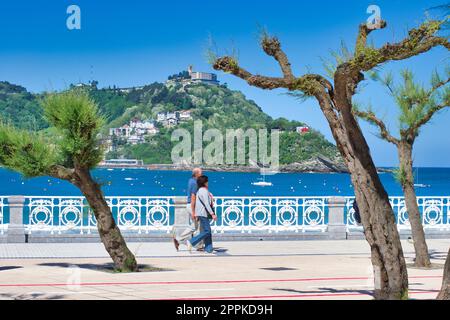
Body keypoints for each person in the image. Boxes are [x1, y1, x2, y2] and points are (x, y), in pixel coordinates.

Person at [172, 168, 204, 251]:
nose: (202, 174)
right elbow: (193, 197)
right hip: (193, 206)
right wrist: (194, 212)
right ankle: (199, 245)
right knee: (200, 226)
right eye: (201, 173)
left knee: (194, 226)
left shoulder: (190, 181)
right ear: (196, 174)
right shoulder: (195, 183)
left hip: (190, 205)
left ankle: (178, 239)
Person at [187, 175, 217, 254]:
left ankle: (209, 249)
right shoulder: (203, 191)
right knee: (207, 231)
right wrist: (212, 214)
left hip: (201, 213)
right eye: (207, 181)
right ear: (205, 182)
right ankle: (192, 241)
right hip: (203, 213)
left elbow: (199, 203)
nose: (208, 182)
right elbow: (206, 204)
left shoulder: (200, 190)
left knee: (208, 231)